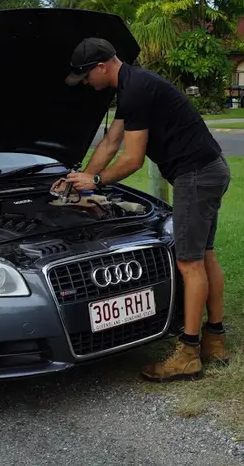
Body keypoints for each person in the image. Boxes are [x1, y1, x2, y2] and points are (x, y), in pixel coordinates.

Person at [55, 37, 231, 382]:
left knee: (189, 262)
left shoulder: (134, 90)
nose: (87, 84)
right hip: (211, 168)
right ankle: (216, 338)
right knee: (205, 255)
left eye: (87, 76)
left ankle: (189, 353)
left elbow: (133, 159)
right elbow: (110, 142)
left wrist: (99, 182)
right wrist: (82, 178)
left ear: (102, 67)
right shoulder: (133, 85)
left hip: (195, 175)